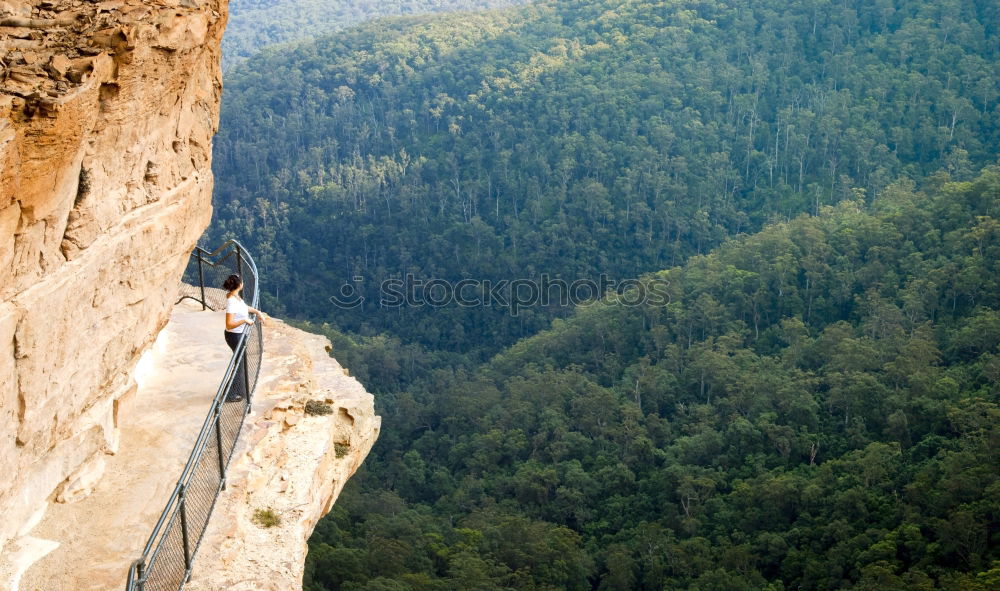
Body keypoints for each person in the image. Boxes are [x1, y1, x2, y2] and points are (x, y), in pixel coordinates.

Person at [222, 274, 268, 402]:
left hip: (238, 335)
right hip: (234, 336)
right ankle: (231, 394)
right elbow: (229, 324)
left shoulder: (236, 297)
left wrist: (258, 312)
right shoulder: (231, 301)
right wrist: (244, 320)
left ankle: (237, 390)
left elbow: (244, 308)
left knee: (240, 363)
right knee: (240, 365)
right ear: (240, 284)